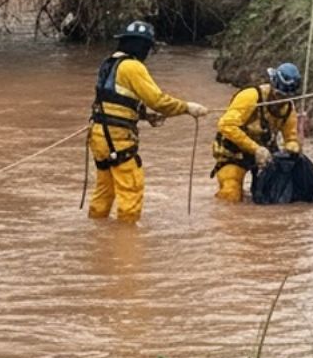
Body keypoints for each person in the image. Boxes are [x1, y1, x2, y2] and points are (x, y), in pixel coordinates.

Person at [88, 20, 208, 223]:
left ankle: (97, 229)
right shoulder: (133, 67)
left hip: (99, 135)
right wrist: (187, 108)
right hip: (117, 138)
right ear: (142, 46)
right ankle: (126, 243)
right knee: (131, 189)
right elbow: (158, 100)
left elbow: (115, 99)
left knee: (105, 189)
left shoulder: (108, 64)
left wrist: (144, 115)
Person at [212, 63, 302, 203]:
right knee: (231, 192)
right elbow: (226, 125)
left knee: (276, 195)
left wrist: (292, 148)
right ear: (272, 85)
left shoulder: (288, 109)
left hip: (265, 156)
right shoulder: (250, 96)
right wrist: (256, 149)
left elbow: (291, 137)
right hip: (235, 153)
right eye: (278, 94)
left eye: (285, 97)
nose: (280, 100)